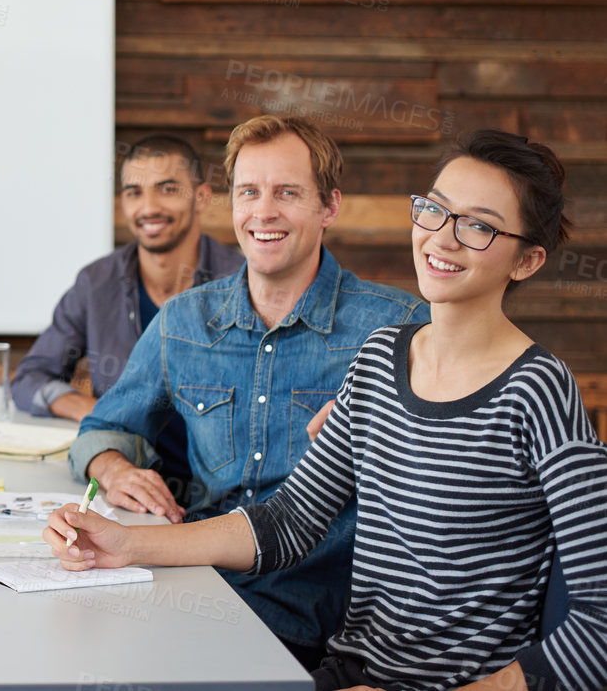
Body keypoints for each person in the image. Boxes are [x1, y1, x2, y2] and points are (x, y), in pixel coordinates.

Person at [48, 130, 607, 691]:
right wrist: (125, 544)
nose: (443, 237)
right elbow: (288, 522)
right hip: (349, 672)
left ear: (528, 260)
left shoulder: (540, 389)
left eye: (479, 225)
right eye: (435, 210)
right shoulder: (381, 356)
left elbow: (598, 623)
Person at [66, 114, 428, 666]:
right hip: (193, 590)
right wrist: (114, 469)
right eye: (249, 192)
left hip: (320, 626)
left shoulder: (399, 329)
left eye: (287, 192)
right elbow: (104, 429)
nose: (264, 212)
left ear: (328, 207)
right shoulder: (182, 320)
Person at [11, 133, 243, 499]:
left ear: (201, 197)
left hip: (227, 499)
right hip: (129, 492)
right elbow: (30, 378)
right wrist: (97, 411)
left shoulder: (244, 281)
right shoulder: (96, 282)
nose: (148, 206)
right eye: (134, 192)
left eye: (166, 189)